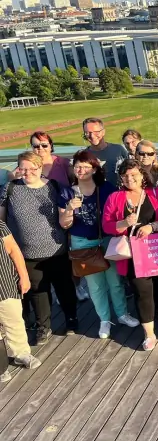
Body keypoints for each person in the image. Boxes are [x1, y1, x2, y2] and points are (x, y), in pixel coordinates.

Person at [58, 150, 139, 339]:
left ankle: (122, 314)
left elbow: (117, 214)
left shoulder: (107, 188)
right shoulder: (66, 192)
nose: (81, 170)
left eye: (86, 166)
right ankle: (104, 319)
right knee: (95, 285)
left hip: (108, 240)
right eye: (78, 165)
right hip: (82, 244)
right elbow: (64, 224)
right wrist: (69, 209)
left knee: (115, 282)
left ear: (95, 169)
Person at [0, 152, 78, 343]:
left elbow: (63, 218)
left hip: (56, 250)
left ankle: (71, 319)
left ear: (40, 168)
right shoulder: (9, 188)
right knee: (37, 291)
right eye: (23, 168)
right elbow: (1, 220)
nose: (27, 173)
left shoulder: (54, 187)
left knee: (64, 287)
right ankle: (44, 326)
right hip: (26, 253)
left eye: (32, 168)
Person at [102, 159, 158, 351]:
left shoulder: (156, 193)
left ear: (142, 175)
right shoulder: (115, 197)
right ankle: (149, 333)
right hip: (133, 255)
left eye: (134, 174)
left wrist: (153, 226)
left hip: (156, 251)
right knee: (142, 293)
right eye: (125, 175)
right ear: (121, 178)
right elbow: (106, 225)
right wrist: (124, 224)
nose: (130, 178)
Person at [0, 220, 42, 377]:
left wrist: (24, 276)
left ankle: (21, 354)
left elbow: (13, 250)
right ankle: (1, 366)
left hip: (4, 284)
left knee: (15, 322)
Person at [83, 117, 128, 187]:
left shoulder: (118, 149)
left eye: (96, 132)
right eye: (87, 133)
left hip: (118, 194)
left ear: (103, 132)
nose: (92, 136)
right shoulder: (84, 155)